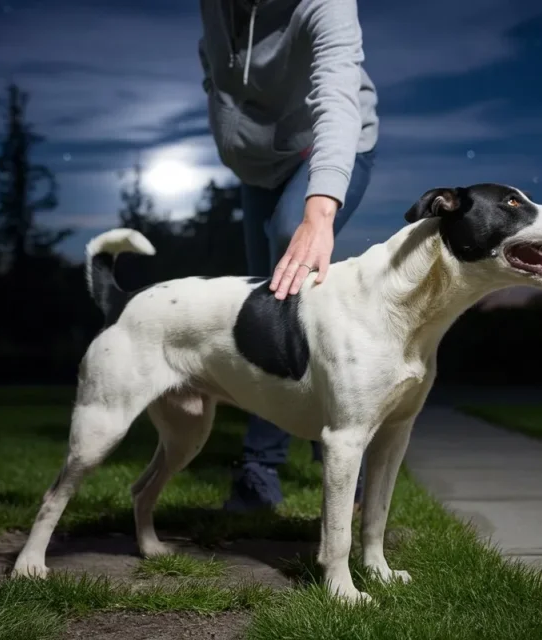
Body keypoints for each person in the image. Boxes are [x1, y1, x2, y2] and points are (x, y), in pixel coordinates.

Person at [197, 0, 378, 512]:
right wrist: (224, 109)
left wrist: (318, 214)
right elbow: (212, 57)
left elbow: (339, 97)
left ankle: (340, 454)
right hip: (258, 167)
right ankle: (261, 468)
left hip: (326, 151)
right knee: (264, 308)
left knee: (289, 246)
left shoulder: (325, 5)